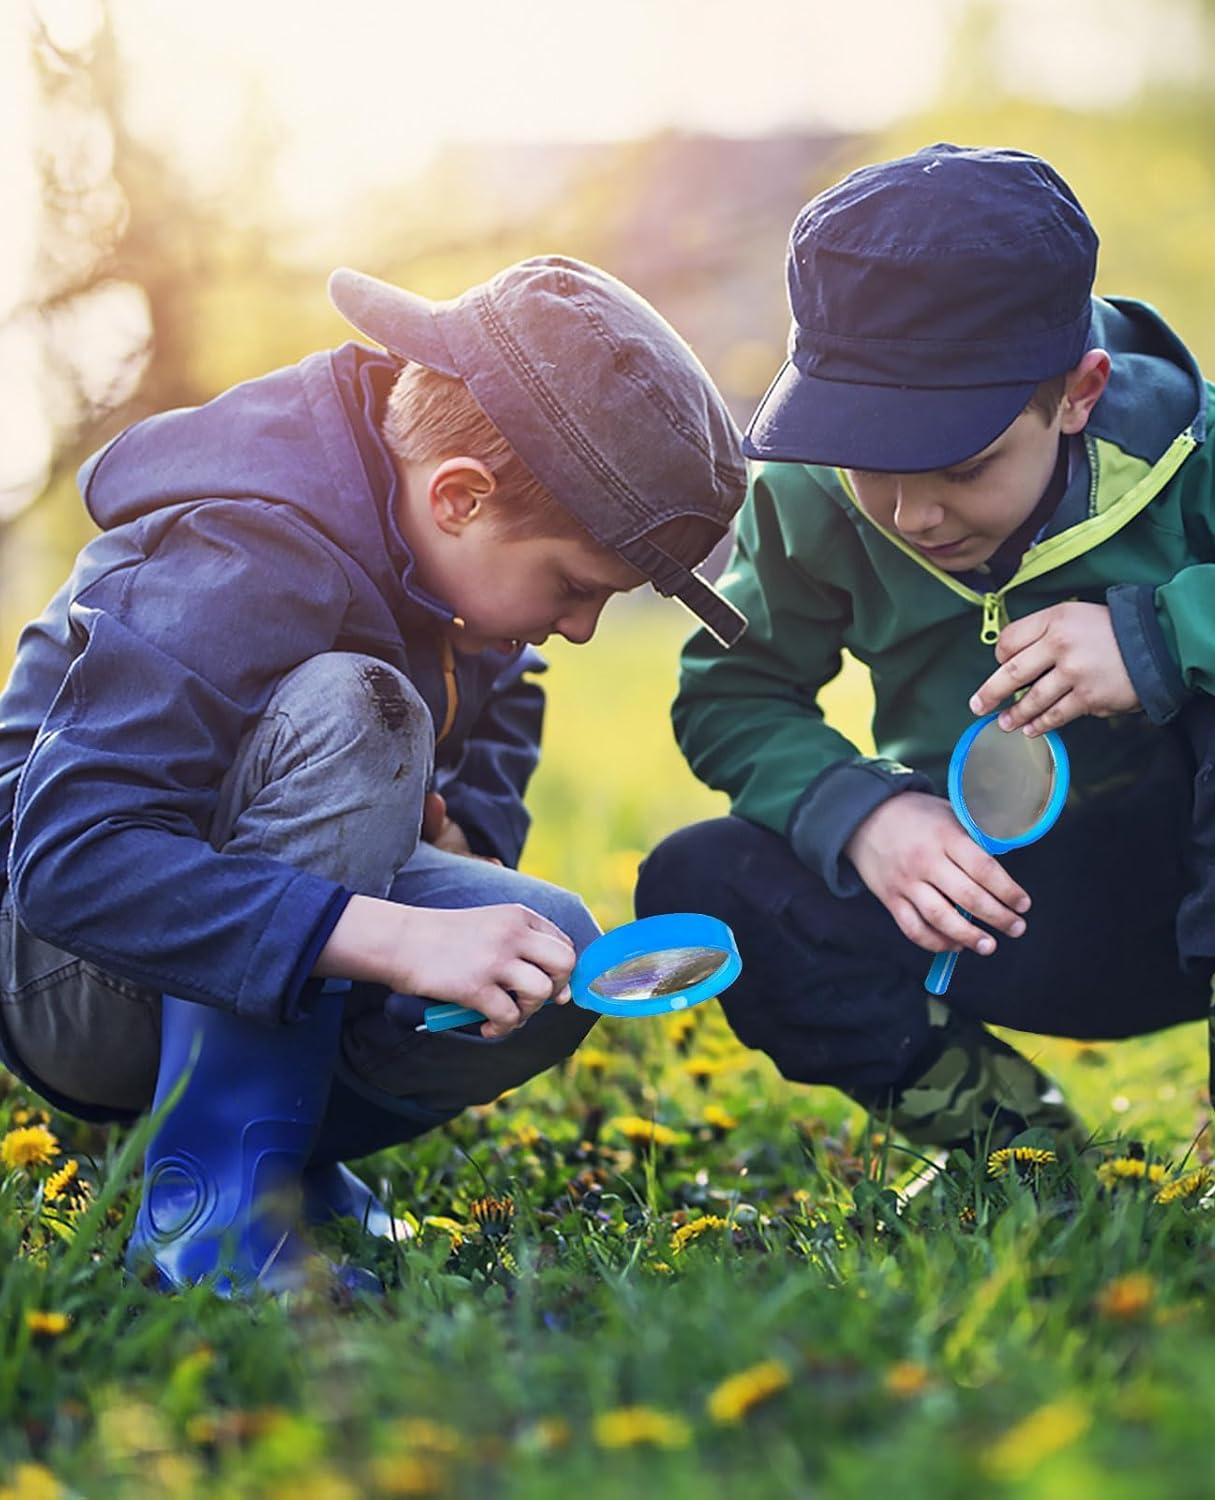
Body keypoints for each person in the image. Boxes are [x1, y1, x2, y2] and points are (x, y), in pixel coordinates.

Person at [637, 144, 1215, 1183]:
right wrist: (861, 812)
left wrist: (1164, 639)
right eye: (874, 464)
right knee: (699, 876)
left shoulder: (1199, 453)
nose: (913, 514)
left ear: (1080, 392)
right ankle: (1022, 1160)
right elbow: (733, 693)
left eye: (962, 467)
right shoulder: (812, 498)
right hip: (979, 905)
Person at [0, 256, 747, 1290]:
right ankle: (211, 1222)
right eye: (575, 587)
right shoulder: (240, 547)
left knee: (551, 951)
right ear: (459, 495)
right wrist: (396, 936)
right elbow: (73, 865)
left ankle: (289, 1155)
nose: (580, 628)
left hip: (223, 933)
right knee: (362, 709)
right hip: (65, 968)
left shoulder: (434, 548)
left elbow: (507, 682)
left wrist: (464, 845)